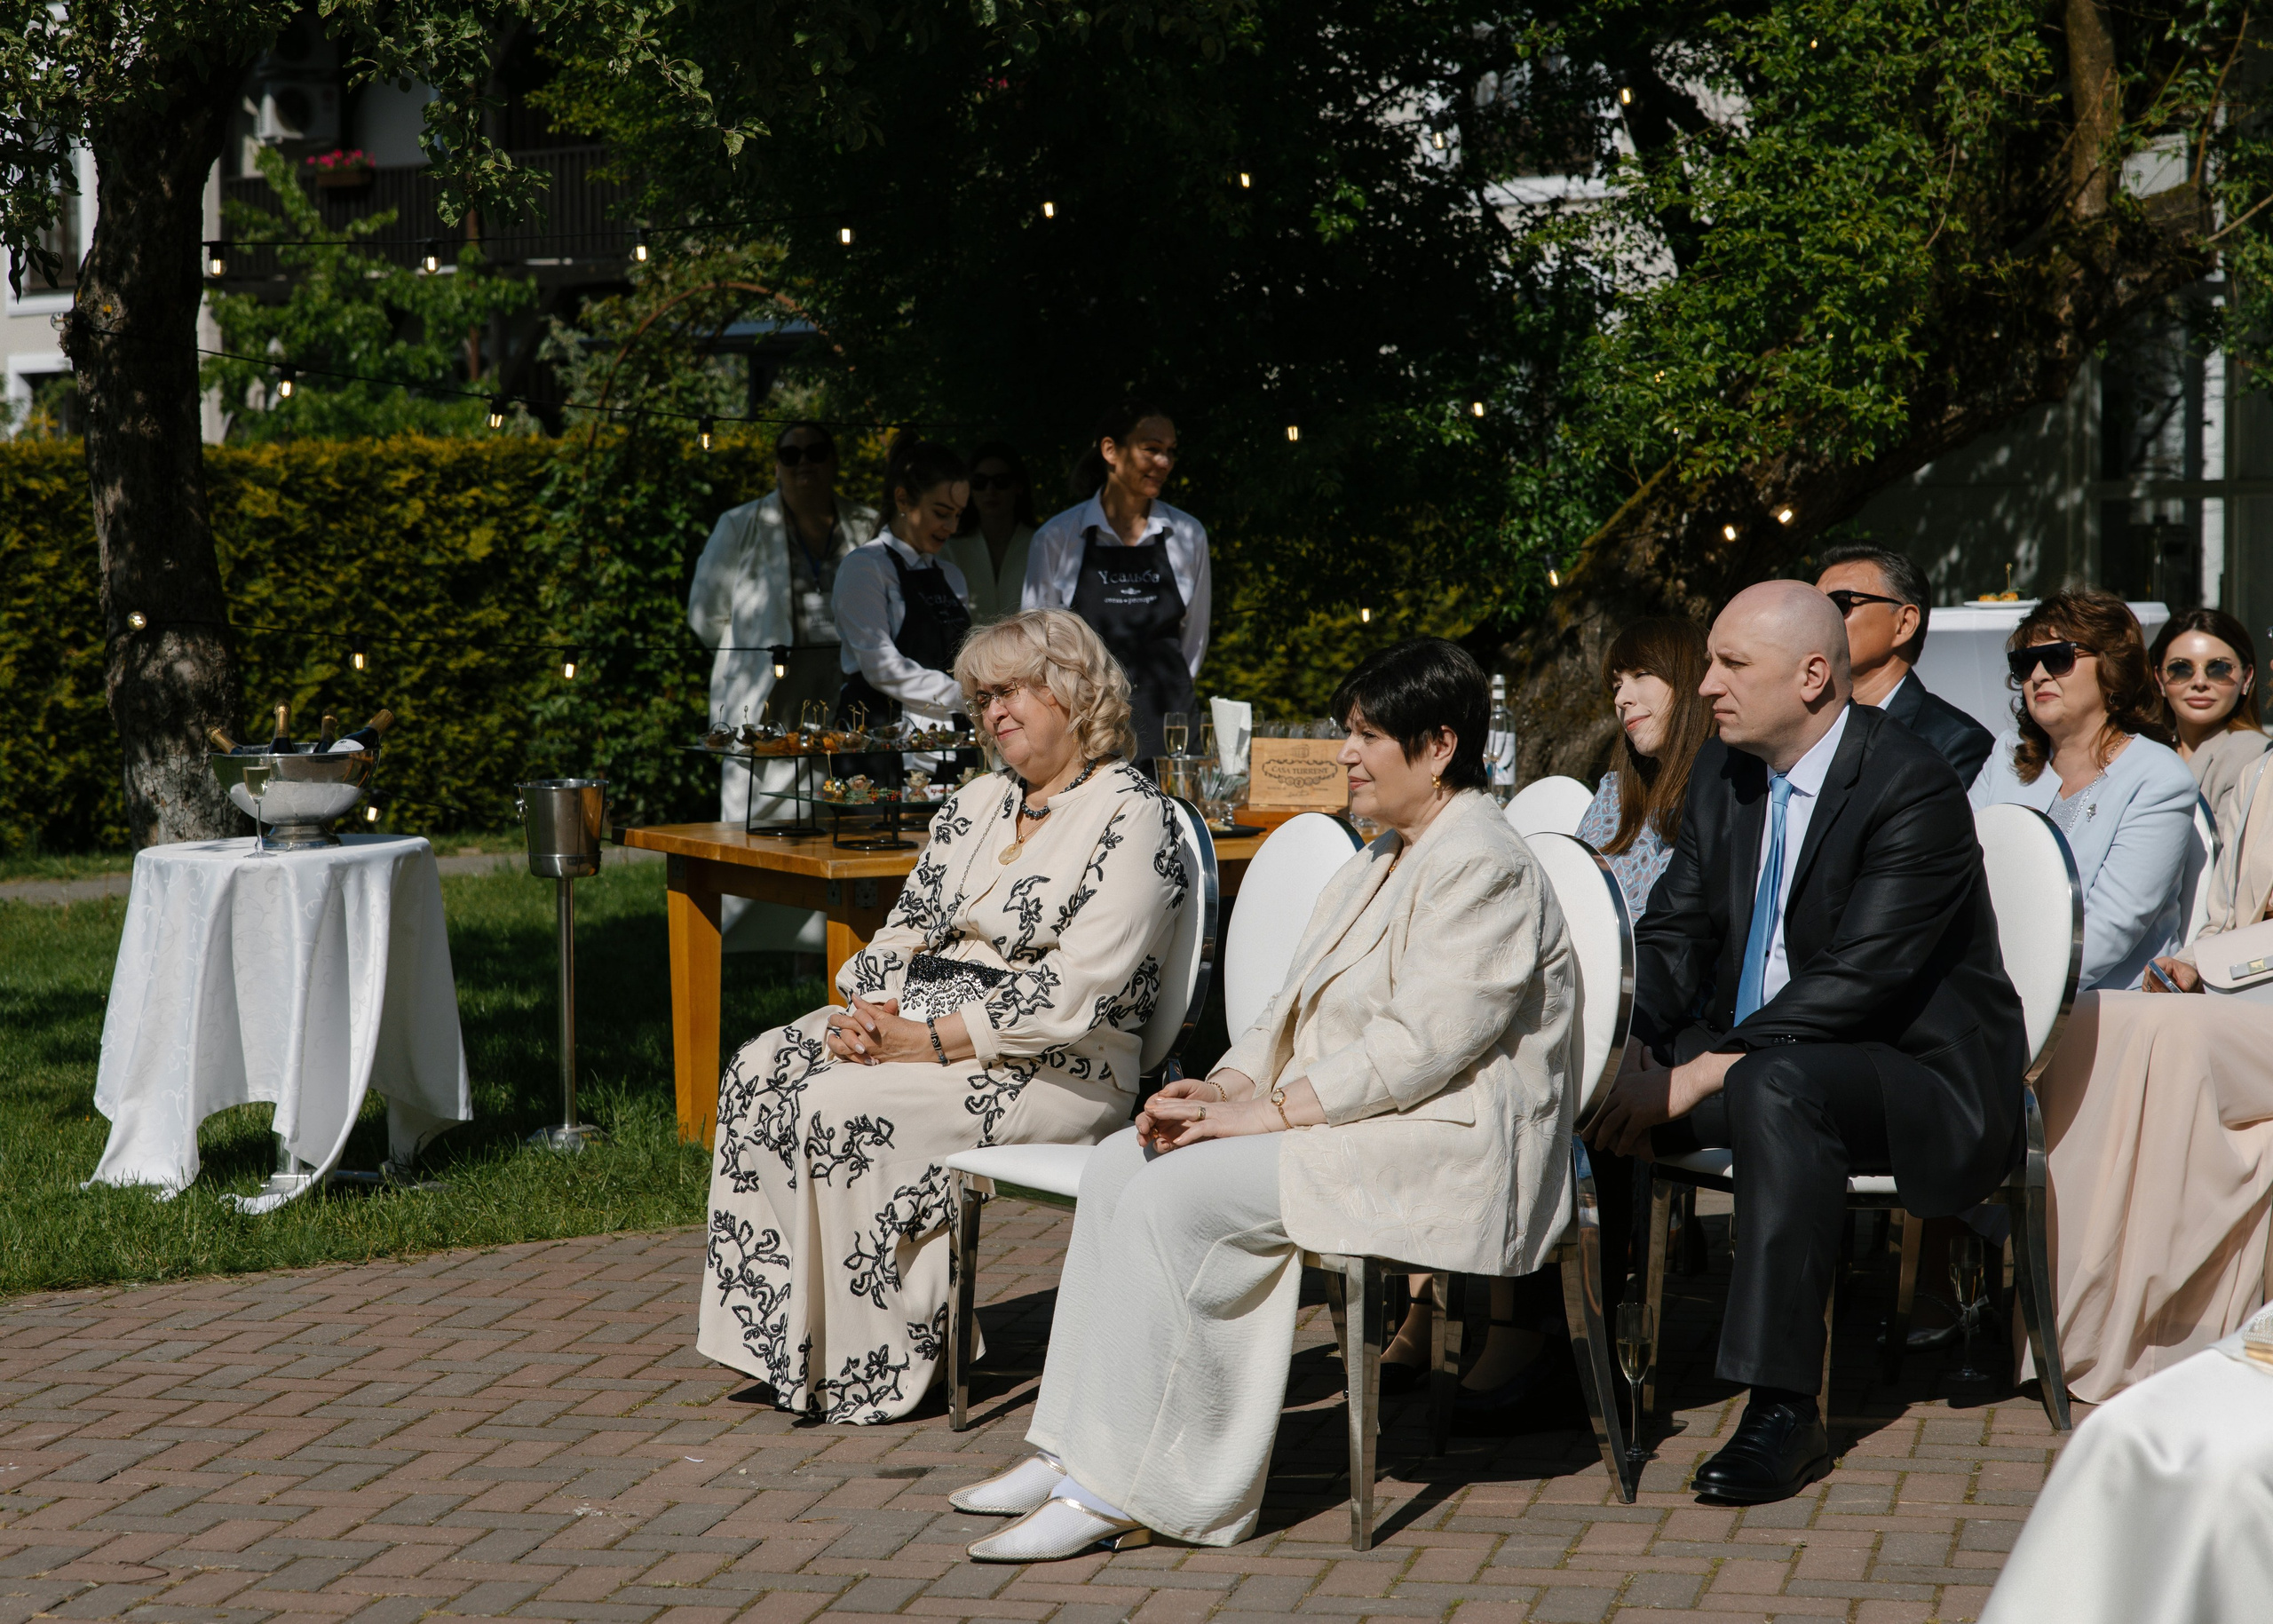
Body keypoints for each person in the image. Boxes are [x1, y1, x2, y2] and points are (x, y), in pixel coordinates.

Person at [949, 639, 1577, 1560]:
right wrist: (1227, 1084)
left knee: (1179, 1196)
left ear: (1439, 743)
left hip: (1444, 1139)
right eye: (1345, 734)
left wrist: (1265, 1114)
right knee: (1129, 1160)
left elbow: (1422, 1049)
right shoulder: (1384, 855)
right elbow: (1287, 1010)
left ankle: (1134, 1486)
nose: (1346, 756)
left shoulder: (1482, 861)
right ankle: (1072, 1446)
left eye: (1366, 736)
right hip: (1364, 1121)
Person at [1585, 582, 2027, 1505]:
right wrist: (1630, 1043)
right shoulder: (1723, 773)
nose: (1704, 684)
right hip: (1774, 1052)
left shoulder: (1911, 784)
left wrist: (1704, 1065)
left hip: (1916, 1076)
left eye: (1730, 663)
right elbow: (1672, 936)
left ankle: (1784, 1407)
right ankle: (1562, 1354)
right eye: (1707, 661)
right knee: (1581, 1069)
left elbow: (1860, 977)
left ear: (1814, 675)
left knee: (1773, 1086)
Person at [696, 610, 1190, 1424]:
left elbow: (1077, 990)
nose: (994, 712)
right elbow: (903, 929)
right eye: (982, 696)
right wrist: (868, 1012)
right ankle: (792, 1341)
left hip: (1055, 1065)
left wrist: (921, 1043)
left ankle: (881, 1361)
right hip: (920, 1026)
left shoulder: (1132, 816)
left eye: (1013, 691)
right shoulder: (977, 802)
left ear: (1074, 691)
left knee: (837, 1105)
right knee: (760, 1067)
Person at [688, 422, 880, 954]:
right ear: (776, 464)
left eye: (816, 451)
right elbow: (705, 614)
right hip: (769, 691)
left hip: (844, 689)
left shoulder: (864, 523)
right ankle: (744, 944)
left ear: (834, 460)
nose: (803, 463)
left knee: (835, 811)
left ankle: (825, 948)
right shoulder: (741, 524)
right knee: (761, 813)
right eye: (789, 454)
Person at [1968, 590, 2197, 994]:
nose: (2038, 675)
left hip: (2101, 1008)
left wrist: (2000, 996)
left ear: (2111, 666)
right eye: (2024, 664)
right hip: (1987, 992)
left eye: (2058, 657)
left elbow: (2108, 930)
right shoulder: (2006, 755)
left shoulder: (2159, 777)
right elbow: (1958, 874)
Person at [1022, 404, 1210, 766]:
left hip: (1169, 719)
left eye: (1170, 451)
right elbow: (1035, 644)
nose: (1164, 462)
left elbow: (1194, 640)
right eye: (1151, 449)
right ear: (1110, 451)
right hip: (1088, 722)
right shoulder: (1058, 538)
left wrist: (1168, 692)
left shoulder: (1188, 535)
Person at [832, 435, 975, 779]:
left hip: (948, 734)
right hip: (879, 736)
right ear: (903, 500)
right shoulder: (865, 567)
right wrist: (965, 695)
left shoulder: (951, 576)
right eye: (941, 513)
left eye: (958, 515)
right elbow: (881, 666)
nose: (952, 527)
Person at [1814, 543, 1994, 786]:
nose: (1820, 620)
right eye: (1815, 608)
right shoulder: (1804, 728)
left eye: (1840, 603)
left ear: (1905, 623)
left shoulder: (1954, 743)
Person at [1575, 616, 1715, 919]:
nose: (1622, 698)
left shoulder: (1733, 793)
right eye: (1616, 686)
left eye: (1641, 673)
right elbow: (1573, 900)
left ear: (1692, 679)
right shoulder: (1614, 794)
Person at [2149, 606, 2268, 845]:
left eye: (2219, 668)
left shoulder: (2253, 754)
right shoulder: (2146, 753)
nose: (2200, 682)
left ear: (2246, 678)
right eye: (2181, 669)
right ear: (2159, 679)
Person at [946, 440, 1038, 621]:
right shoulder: (949, 548)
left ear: (1018, 486)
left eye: (1001, 482)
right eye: (979, 482)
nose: (990, 490)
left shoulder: (1040, 543)